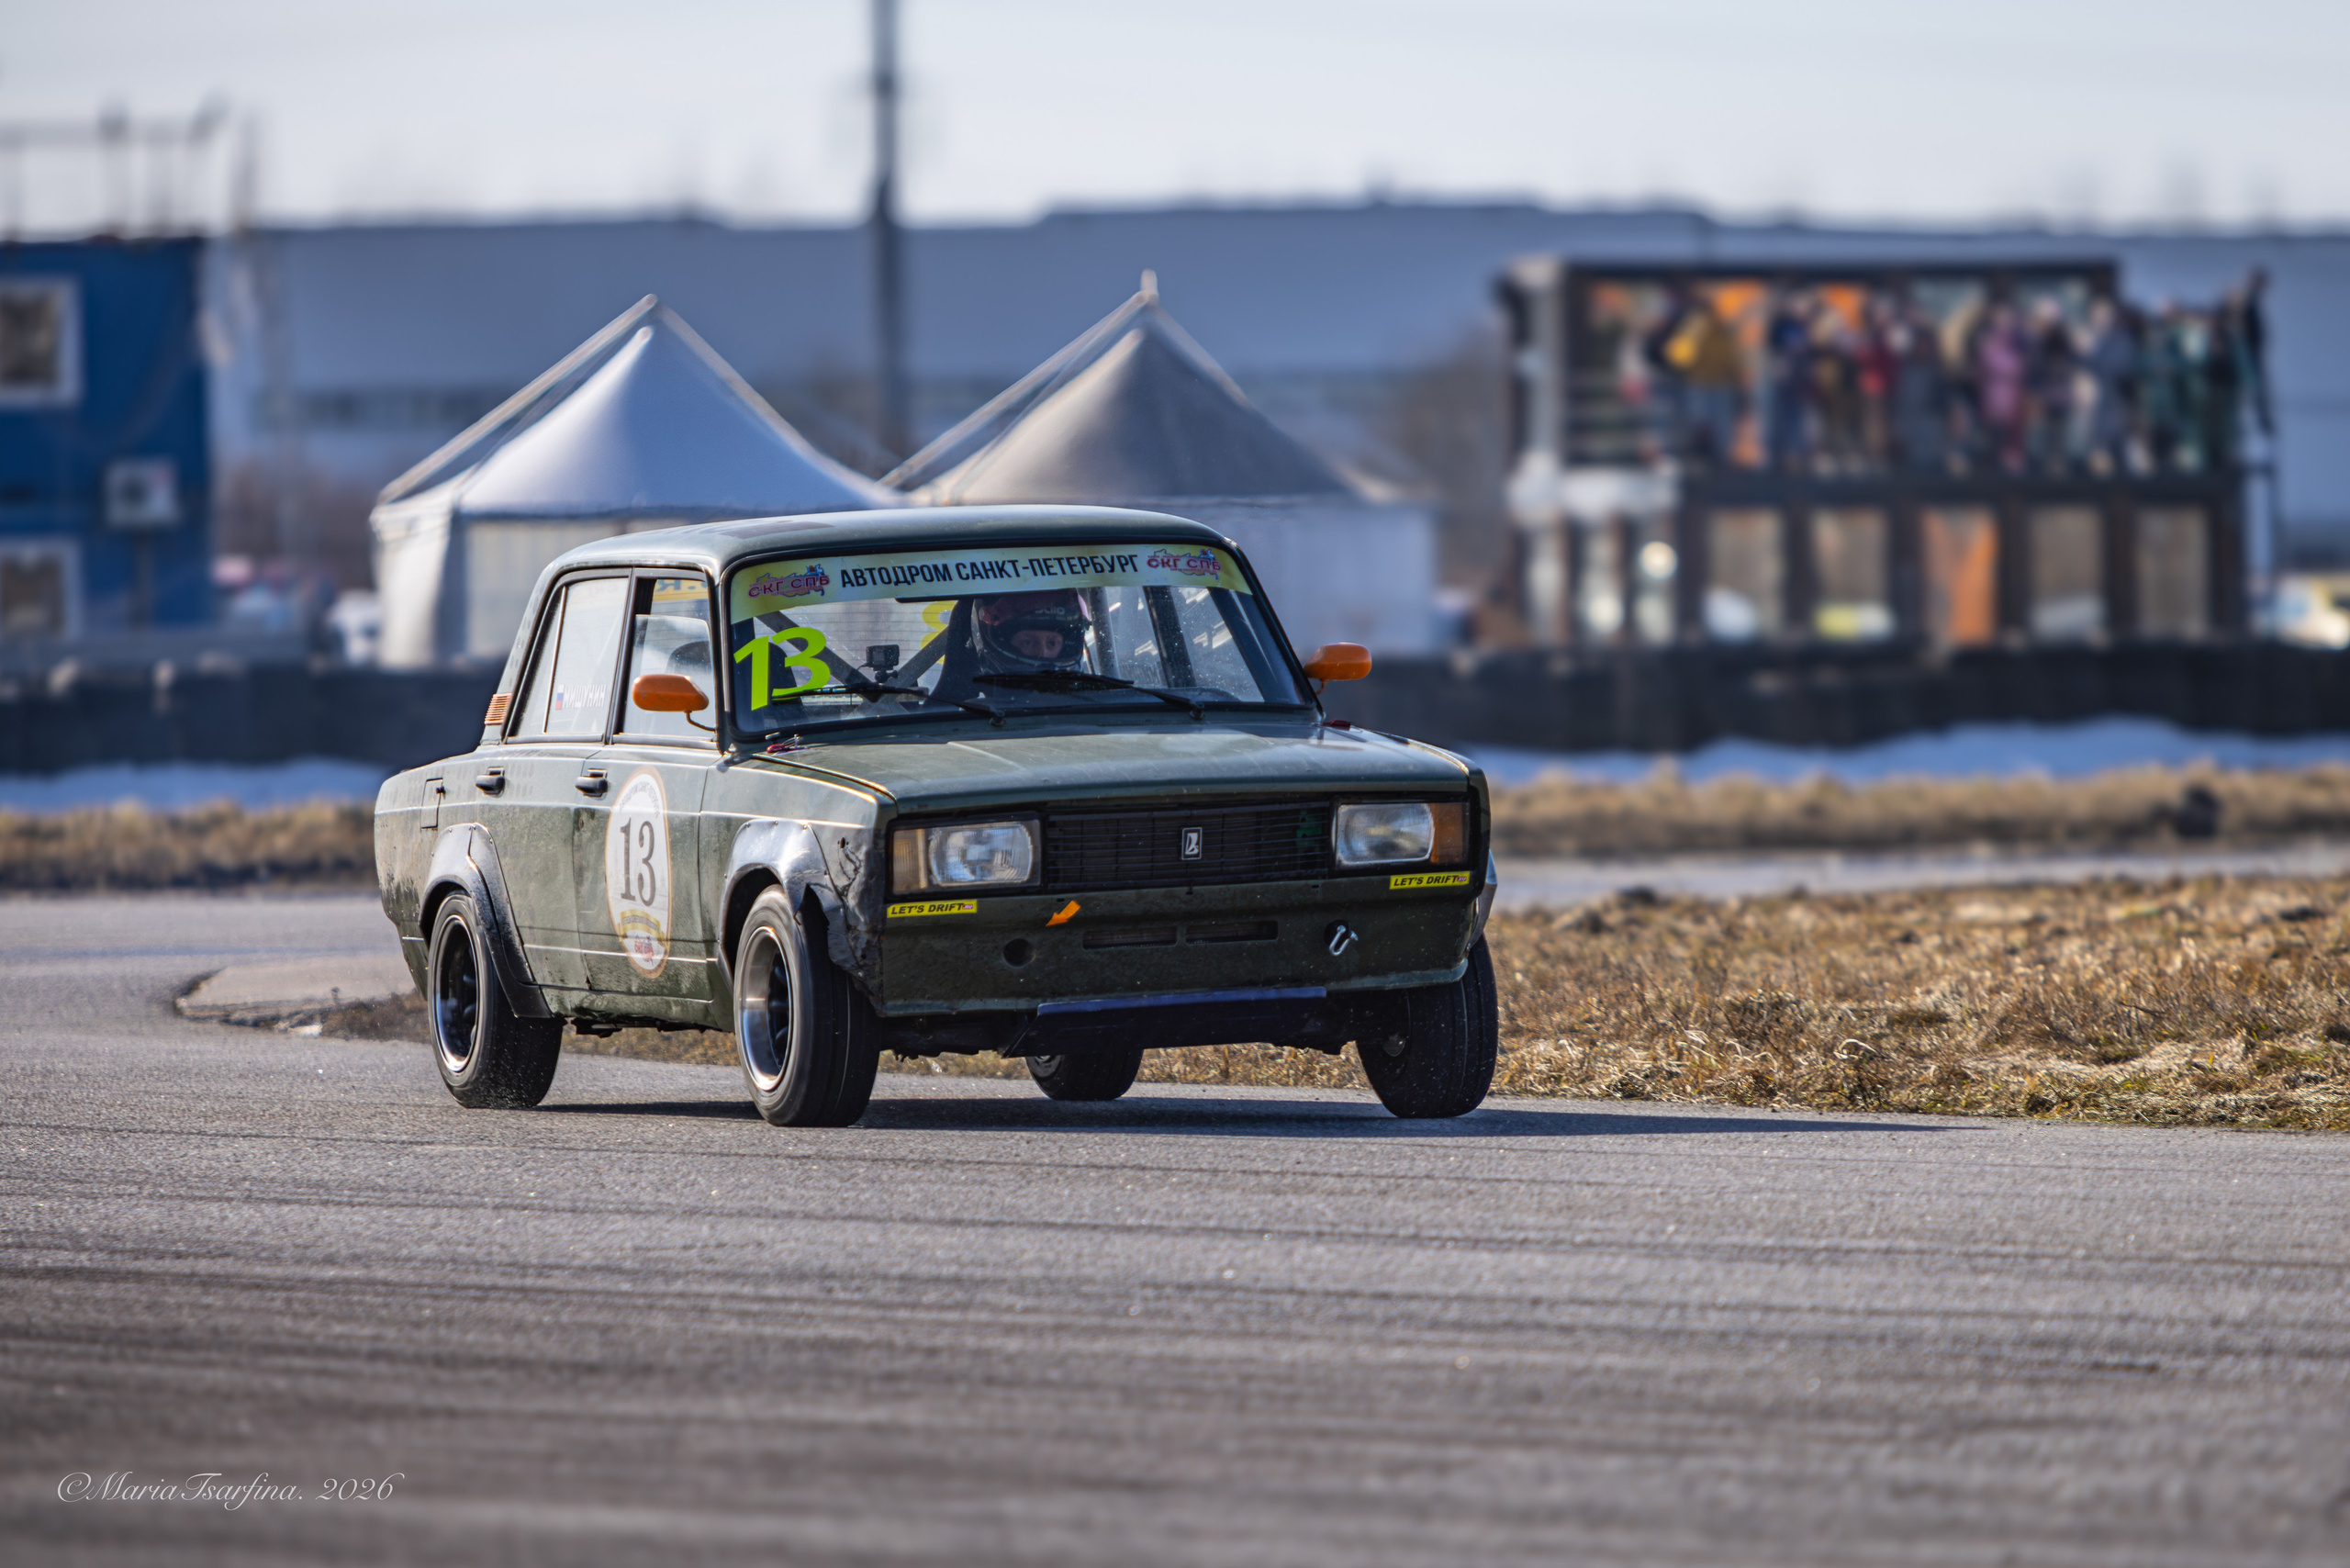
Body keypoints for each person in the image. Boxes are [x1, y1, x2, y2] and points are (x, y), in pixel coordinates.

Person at [970, 588, 1091, 674]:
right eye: (1027, 642)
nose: (1042, 654)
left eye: (1052, 643)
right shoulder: (972, 708)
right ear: (1005, 642)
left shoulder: (1092, 702)